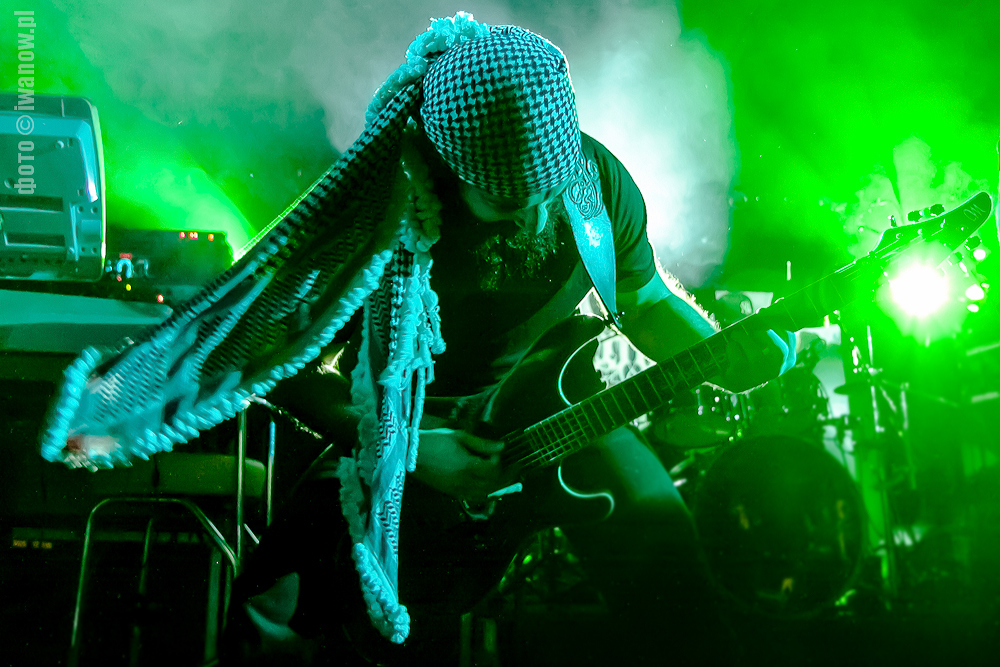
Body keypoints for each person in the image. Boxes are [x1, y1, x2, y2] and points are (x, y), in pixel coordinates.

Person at [215, 12, 796, 666]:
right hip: (404, 426)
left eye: (549, 188)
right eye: (509, 201)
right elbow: (265, 354)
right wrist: (409, 447)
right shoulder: (377, 208)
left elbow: (648, 302)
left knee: (669, 558)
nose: (538, 213)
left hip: (546, 407)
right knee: (283, 620)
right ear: (448, 170)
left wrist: (722, 354)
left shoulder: (594, 181)